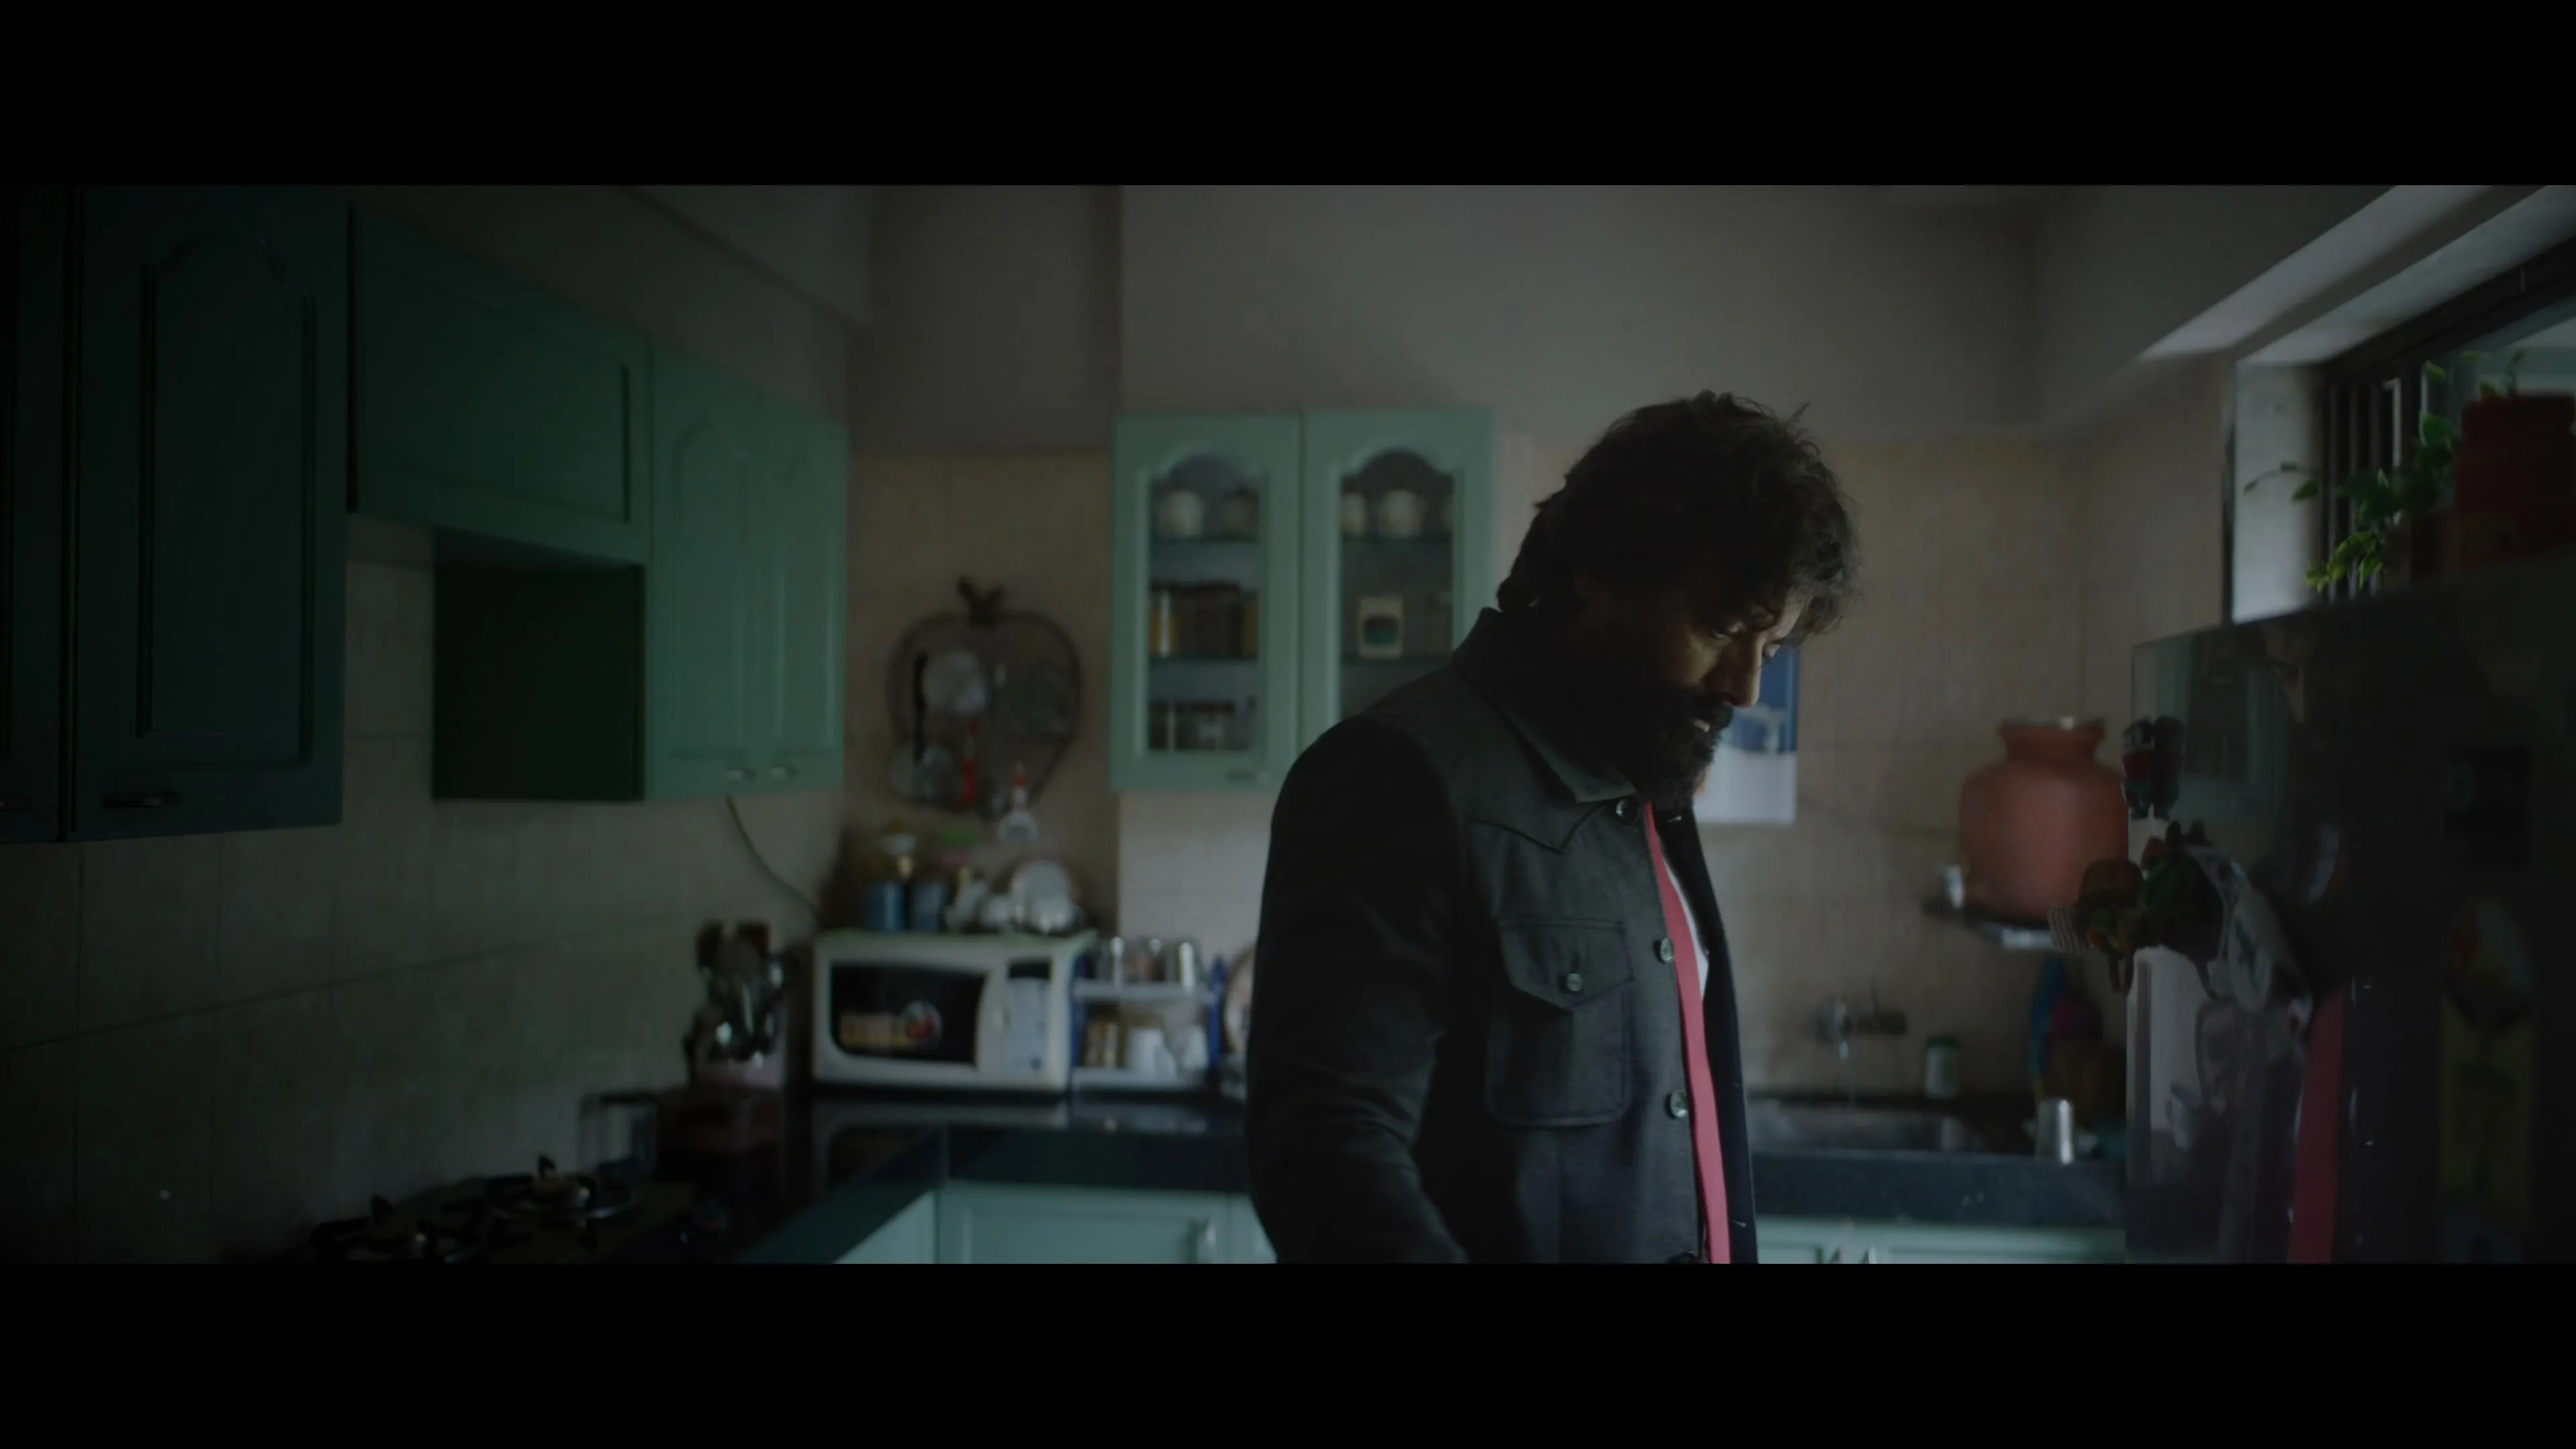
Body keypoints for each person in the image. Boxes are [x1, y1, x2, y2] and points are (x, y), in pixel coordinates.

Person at [1246, 392, 1859, 1263]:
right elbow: (1323, 1162)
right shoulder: (1398, 774)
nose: (1746, 688)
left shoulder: (1643, 784)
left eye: (1772, 649)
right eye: (1724, 629)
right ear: (1596, 570)